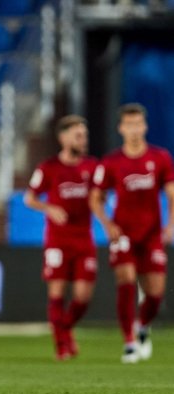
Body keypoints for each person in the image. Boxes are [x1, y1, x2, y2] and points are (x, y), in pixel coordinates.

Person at [90, 103, 174, 363]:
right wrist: (108, 224)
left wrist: (170, 225)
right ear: (121, 128)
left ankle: (143, 327)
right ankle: (128, 341)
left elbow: (172, 194)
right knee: (125, 280)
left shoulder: (160, 158)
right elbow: (96, 198)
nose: (135, 130)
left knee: (155, 293)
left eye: (139, 124)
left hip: (151, 235)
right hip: (123, 233)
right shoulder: (112, 161)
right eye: (130, 125)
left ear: (145, 127)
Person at [24, 115, 98, 360]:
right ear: (63, 137)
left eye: (85, 135)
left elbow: (100, 193)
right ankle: (61, 346)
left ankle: (64, 328)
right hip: (58, 240)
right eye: (78, 135)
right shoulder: (49, 168)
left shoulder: (93, 167)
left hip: (83, 238)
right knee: (56, 292)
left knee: (83, 296)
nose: (83, 139)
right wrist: (51, 209)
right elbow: (30, 198)